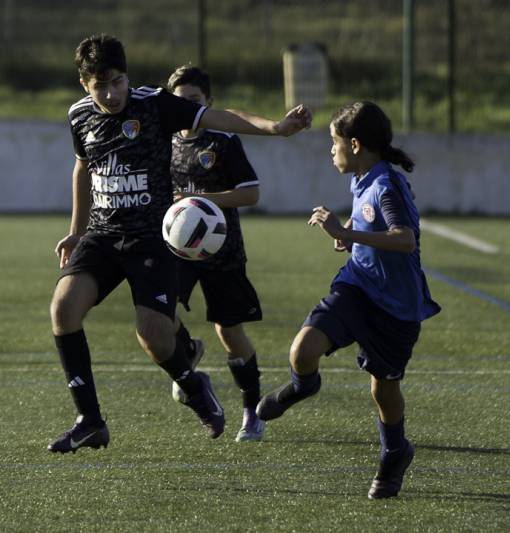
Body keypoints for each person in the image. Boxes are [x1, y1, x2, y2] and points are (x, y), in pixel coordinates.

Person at [48, 34, 311, 453]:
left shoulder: (154, 104)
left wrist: (275, 128)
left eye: (118, 81)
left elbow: (221, 117)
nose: (112, 93)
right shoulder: (79, 116)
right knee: (63, 309)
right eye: (101, 85)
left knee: (152, 334)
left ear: (126, 76)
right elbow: (82, 168)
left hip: (151, 239)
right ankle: (90, 420)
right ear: (85, 85)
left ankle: (193, 385)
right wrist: (76, 230)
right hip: (101, 235)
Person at [255, 101, 440, 498]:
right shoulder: (362, 177)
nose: (331, 151)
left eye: (333, 143)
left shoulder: (385, 184)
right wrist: (351, 231)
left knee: (383, 390)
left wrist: (347, 232)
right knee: (302, 350)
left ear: (355, 144)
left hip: (396, 307)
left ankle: (395, 451)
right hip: (357, 287)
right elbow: (367, 216)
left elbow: (404, 239)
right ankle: (301, 387)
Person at [166, 65, 265, 443]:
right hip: (177, 250)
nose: (186, 108)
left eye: (193, 101)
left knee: (229, 330)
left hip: (222, 251)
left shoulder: (223, 142)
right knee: (158, 309)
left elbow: (251, 193)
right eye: (179, 101)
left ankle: (251, 411)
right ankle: (188, 351)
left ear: (208, 103)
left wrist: (203, 200)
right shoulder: (164, 141)